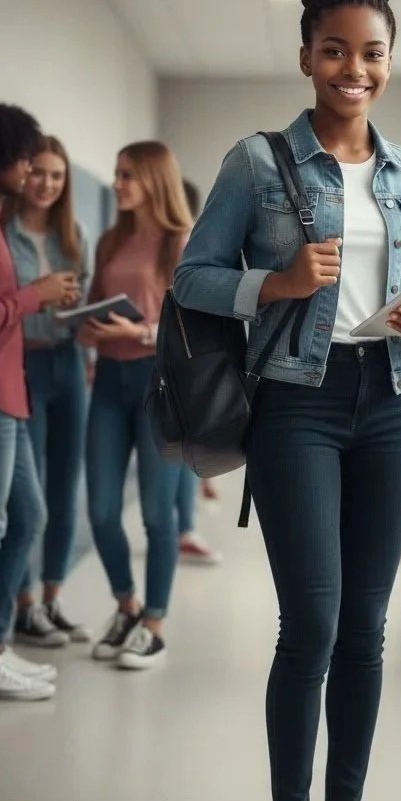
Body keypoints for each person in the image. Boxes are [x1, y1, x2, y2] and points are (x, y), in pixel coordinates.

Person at [173, 0, 401, 801]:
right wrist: (279, 283)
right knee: (313, 624)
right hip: (296, 405)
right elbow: (192, 278)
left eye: (373, 53)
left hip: (392, 400)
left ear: (391, 58)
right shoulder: (256, 162)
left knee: (370, 628)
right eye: (336, 50)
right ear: (307, 55)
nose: (356, 69)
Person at [0, 103, 80, 700]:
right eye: (21, 156)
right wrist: (33, 296)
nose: (28, 166)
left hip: (6, 394)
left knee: (26, 517)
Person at [81, 141, 191, 670]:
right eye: (116, 173)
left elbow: (194, 326)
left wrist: (141, 331)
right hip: (107, 382)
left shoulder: (182, 241)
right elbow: (93, 307)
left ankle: (154, 624)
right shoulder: (109, 241)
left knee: (155, 514)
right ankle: (127, 605)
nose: (118, 183)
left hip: (158, 384)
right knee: (101, 509)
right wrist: (84, 326)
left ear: (154, 179)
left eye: (128, 175)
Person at [5, 135, 93, 646]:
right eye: (38, 172)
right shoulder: (0, 231)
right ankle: (23, 604)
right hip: (20, 366)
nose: (46, 184)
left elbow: (77, 295)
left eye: (57, 176)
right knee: (27, 497)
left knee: (65, 490)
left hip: (69, 361)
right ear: (22, 172)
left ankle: (53, 599)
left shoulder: (72, 233)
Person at [174, 177, 222, 565]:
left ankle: (185, 527)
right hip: (183, 362)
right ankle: (184, 526)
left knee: (184, 448)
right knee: (180, 449)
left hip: (186, 361)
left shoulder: (188, 243)